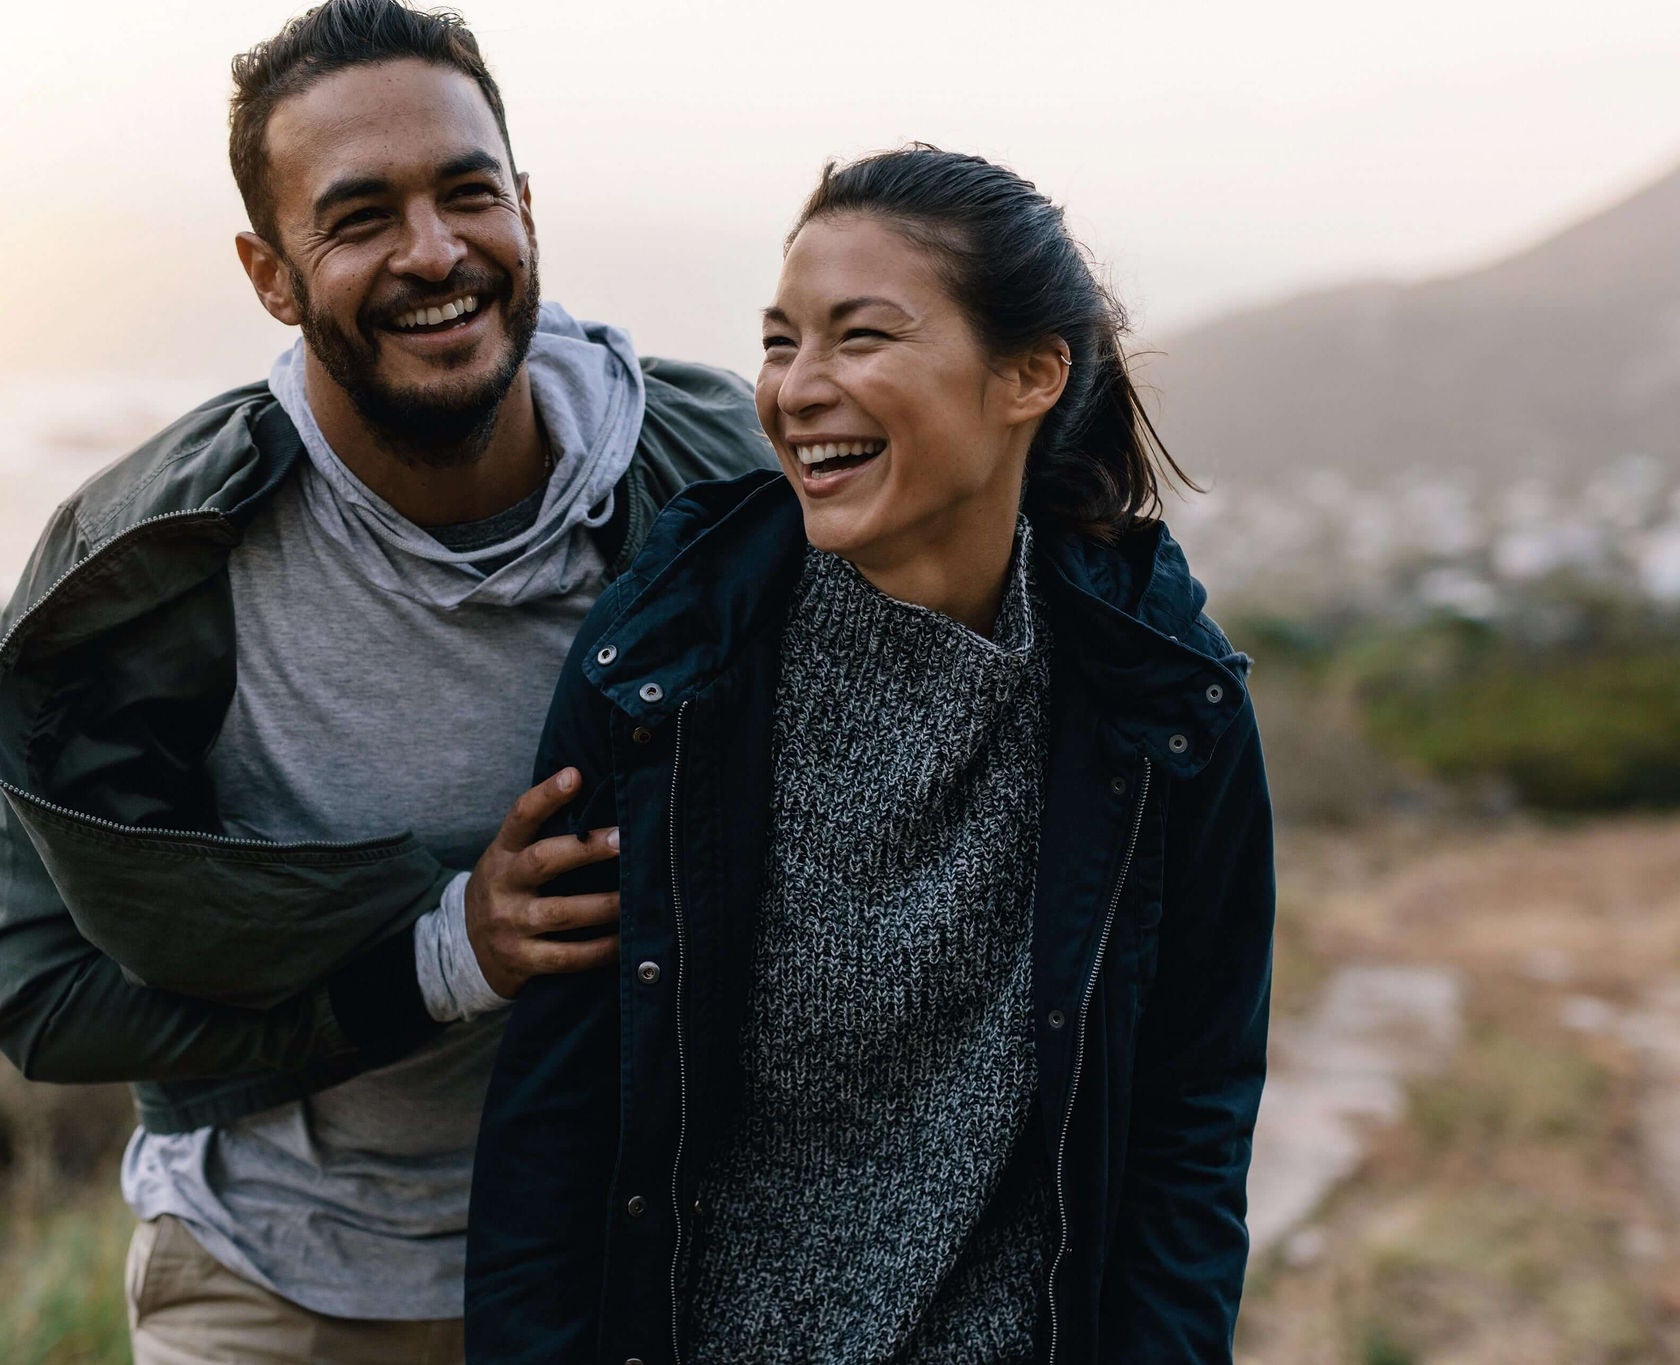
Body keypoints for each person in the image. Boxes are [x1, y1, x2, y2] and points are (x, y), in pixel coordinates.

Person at [0, 1, 769, 1360]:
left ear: (524, 204)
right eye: (359, 217)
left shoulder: (711, 476)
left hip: (637, 1272)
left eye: (470, 193)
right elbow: (40, 992)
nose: (435, 252)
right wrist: (447, 956)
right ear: (269, 273)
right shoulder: (139, 564)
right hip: (274, 1282)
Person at [466, 146, 1276, 1364]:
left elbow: (1187, 1124)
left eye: (860, 337)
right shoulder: (662, 670)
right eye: (781, 341)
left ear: (1028, 376)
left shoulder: (1162, 706)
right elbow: (556, 1124)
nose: (796, 388)